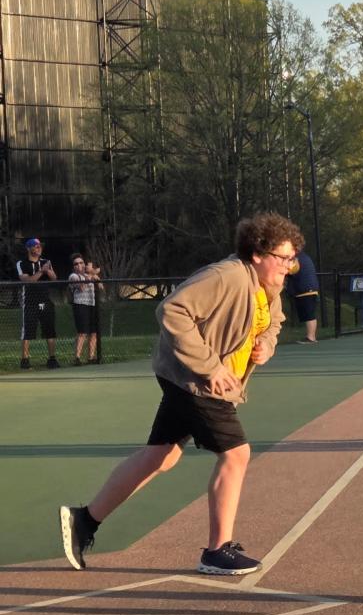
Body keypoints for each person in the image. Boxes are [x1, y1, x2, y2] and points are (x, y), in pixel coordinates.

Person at [59, 213, 302, 575]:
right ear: (257, 254)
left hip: (199, 381)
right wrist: (211, 367)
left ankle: (84, 521)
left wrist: (266, 343)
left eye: (292, 258)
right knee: (237, 454)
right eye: (283, 257)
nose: (289, 266)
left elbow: (274, 321)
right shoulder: (228, 276)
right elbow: (172, 310)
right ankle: (217, 551)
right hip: (195, 380)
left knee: (161, 455)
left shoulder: (267, 286)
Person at [17, 237, 59, 369]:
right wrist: (41, 271)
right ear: (29, 248)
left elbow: (54, 278)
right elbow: (27, 280)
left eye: (40, 246)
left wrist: (48, 270)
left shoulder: (46, 262)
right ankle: (25, 360)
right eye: (36, 246)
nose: (39, 248)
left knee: (49, 330)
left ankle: (52, 359)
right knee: (27, 331)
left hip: (45, 301)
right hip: (30, 302)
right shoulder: (22, 263)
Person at [67, 253, 103, 364]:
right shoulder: (73, 276)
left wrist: (95, 275)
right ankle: (77, 358)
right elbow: (82, 287)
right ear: (73, 267)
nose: (79, 265)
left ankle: (91, 357)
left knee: (93, 332)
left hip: (92, 305)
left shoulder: (90, 275)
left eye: (81, 263)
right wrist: (92, 274)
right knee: (82, 332)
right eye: (76, 264)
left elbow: (101, 288)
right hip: (80, 305)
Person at [285, 250, 320, 344]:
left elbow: (291, 270)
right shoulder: (305, 257)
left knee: (309, 315)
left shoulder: (296, 258)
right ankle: (311, 337)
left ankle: (311, 338)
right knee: (309, 314)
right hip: (309, 289)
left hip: (305, 290)